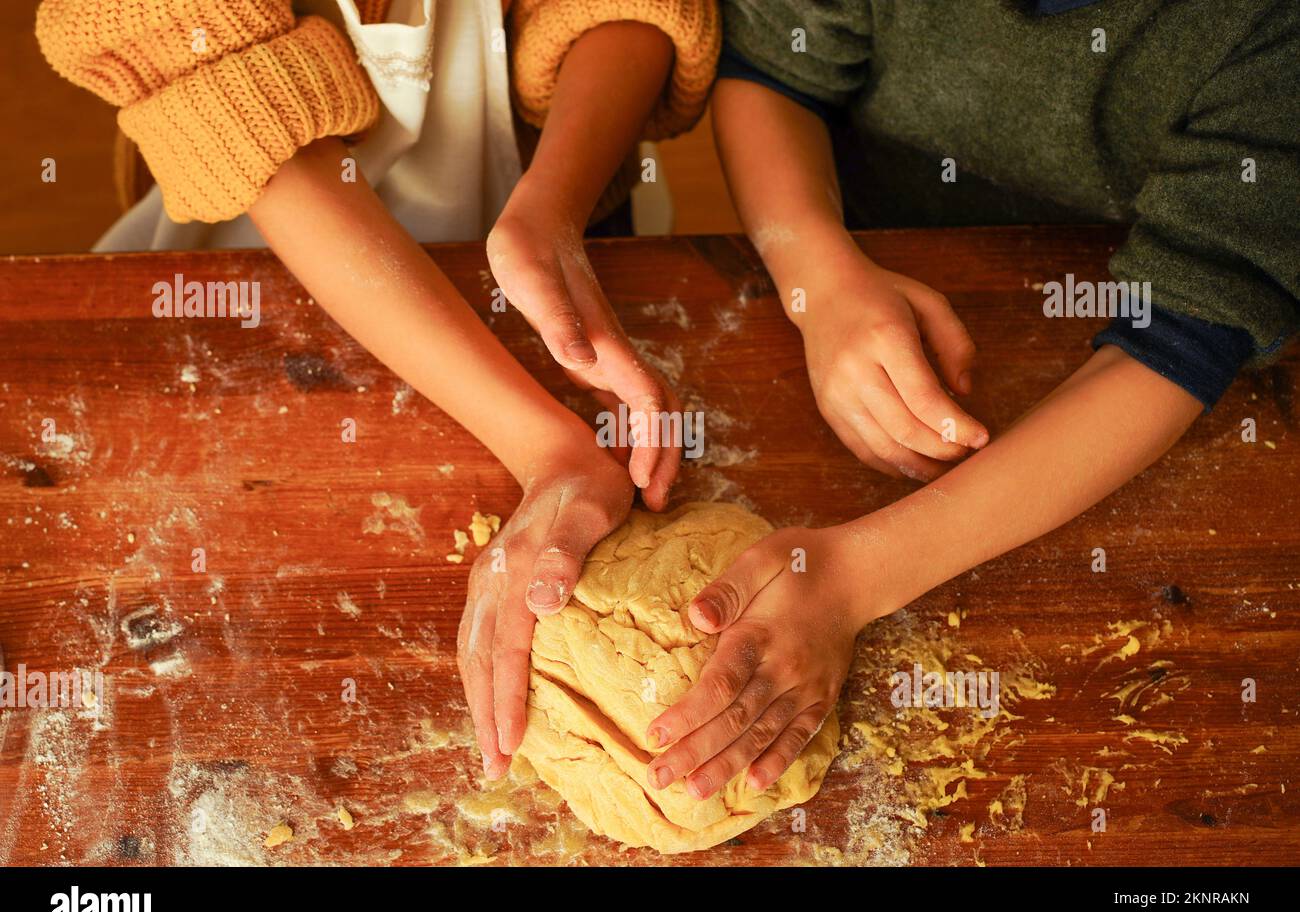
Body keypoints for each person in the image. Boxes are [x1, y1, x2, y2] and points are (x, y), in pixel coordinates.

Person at [36, 0, 720, 778]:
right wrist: (548, 445)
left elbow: (620, 13)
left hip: (544, 212)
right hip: (276, 272)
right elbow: (257, 130)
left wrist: (552, 210)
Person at [638, 0, 1299, 802]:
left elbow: (1183, 338)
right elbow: (776, 74)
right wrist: (816, 276)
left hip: (1120, 316)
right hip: (863, 235)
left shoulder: (1268, 36)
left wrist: (856, 575)